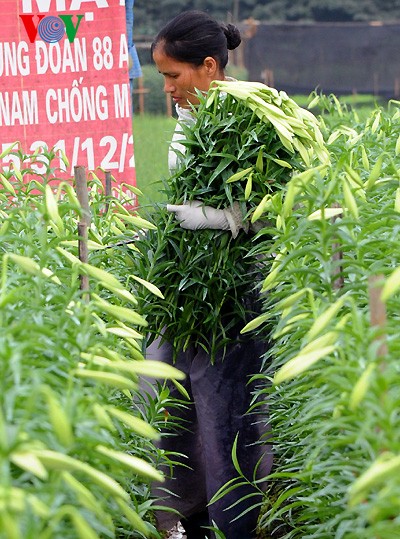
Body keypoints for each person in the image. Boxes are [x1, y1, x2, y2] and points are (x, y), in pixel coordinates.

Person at [146, 10, 272, 539]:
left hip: (233, 295)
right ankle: (187, 516)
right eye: (162, 79)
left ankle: (240, 524)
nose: (169, 90)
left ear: (209, 67)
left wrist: (219, 220)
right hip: (191, 291)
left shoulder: (248, 120)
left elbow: (273, 202)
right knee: (169, 392)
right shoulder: (190, 119)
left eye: (174, 77)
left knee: (229, 412)